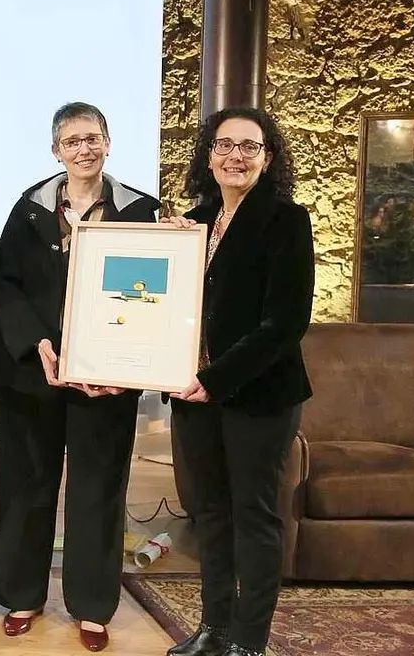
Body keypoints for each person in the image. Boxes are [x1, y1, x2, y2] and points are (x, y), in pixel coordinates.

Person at [0, 102, 159, 652]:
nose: (85, 149)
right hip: (35, 373)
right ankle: (22, 595)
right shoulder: (29, 207)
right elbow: (4, 283)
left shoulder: (141, 210)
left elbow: (152, 292)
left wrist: (125, 362)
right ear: (56, 150)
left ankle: (92, 605)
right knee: (26, 486)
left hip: (107, 380)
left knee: (97, 491)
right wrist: (37, 344)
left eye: (93, 138)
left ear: (108, 142)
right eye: (73, 141)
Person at [165, 107, 315, 656]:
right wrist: (166, 253)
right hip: (193, 395)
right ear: (208, 156)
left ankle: (249, 641)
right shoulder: (192, 223)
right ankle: (216, 629)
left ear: (267, 158)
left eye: (249, 146)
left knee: (254, 515)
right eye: (224, 145)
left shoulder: (286, 220)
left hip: (258, 395)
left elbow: (286, 323)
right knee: (210, 514)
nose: (235, 156)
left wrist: (216, 377)